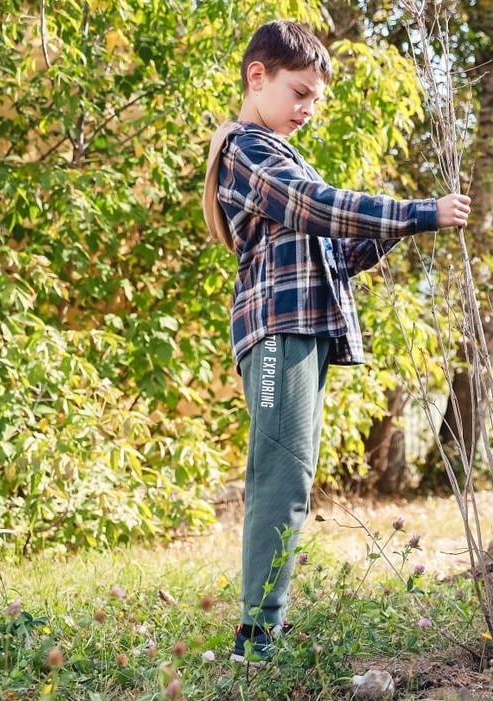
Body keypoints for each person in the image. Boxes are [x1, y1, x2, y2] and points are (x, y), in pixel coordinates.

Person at [201, 19, 471, 663]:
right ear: (256, 77)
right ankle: (257, 635)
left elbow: (338, 251)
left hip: (302, 329)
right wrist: (416, 210)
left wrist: (397, 231)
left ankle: (267, 625)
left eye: (316, 100)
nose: (307, 110)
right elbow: (317, 206)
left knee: (290, 474)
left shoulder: (283, 152)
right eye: (298, 93)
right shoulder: (246, 148)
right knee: (279, 479)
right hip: (277, 332)